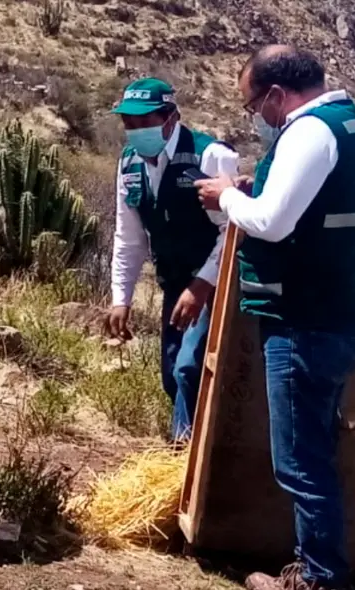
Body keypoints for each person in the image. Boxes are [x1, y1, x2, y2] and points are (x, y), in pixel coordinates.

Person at [195, 45, 355, 590]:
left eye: (255, 104)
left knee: (299, 461)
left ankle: (319, 577)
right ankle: (316, 566)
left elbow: (272, 223)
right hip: (338, 312)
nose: (257, 116)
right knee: (315, 451)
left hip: (304, 321)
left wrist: (228, 196)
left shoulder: (307, 132)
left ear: (277, 94)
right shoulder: (349, 123)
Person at [106, 77, 240, 444]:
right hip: (174, 282)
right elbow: (129, 236)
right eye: (128, 124)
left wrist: (202, 285)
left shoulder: (209, 156)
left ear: (170, 118)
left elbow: (234, 231)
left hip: (215, 283)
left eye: (144, 122)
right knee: (171, 375)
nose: (135, 131)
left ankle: (185, 459)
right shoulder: (130, 164)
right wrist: (122, 297)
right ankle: (189, 452)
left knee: (189, 368)